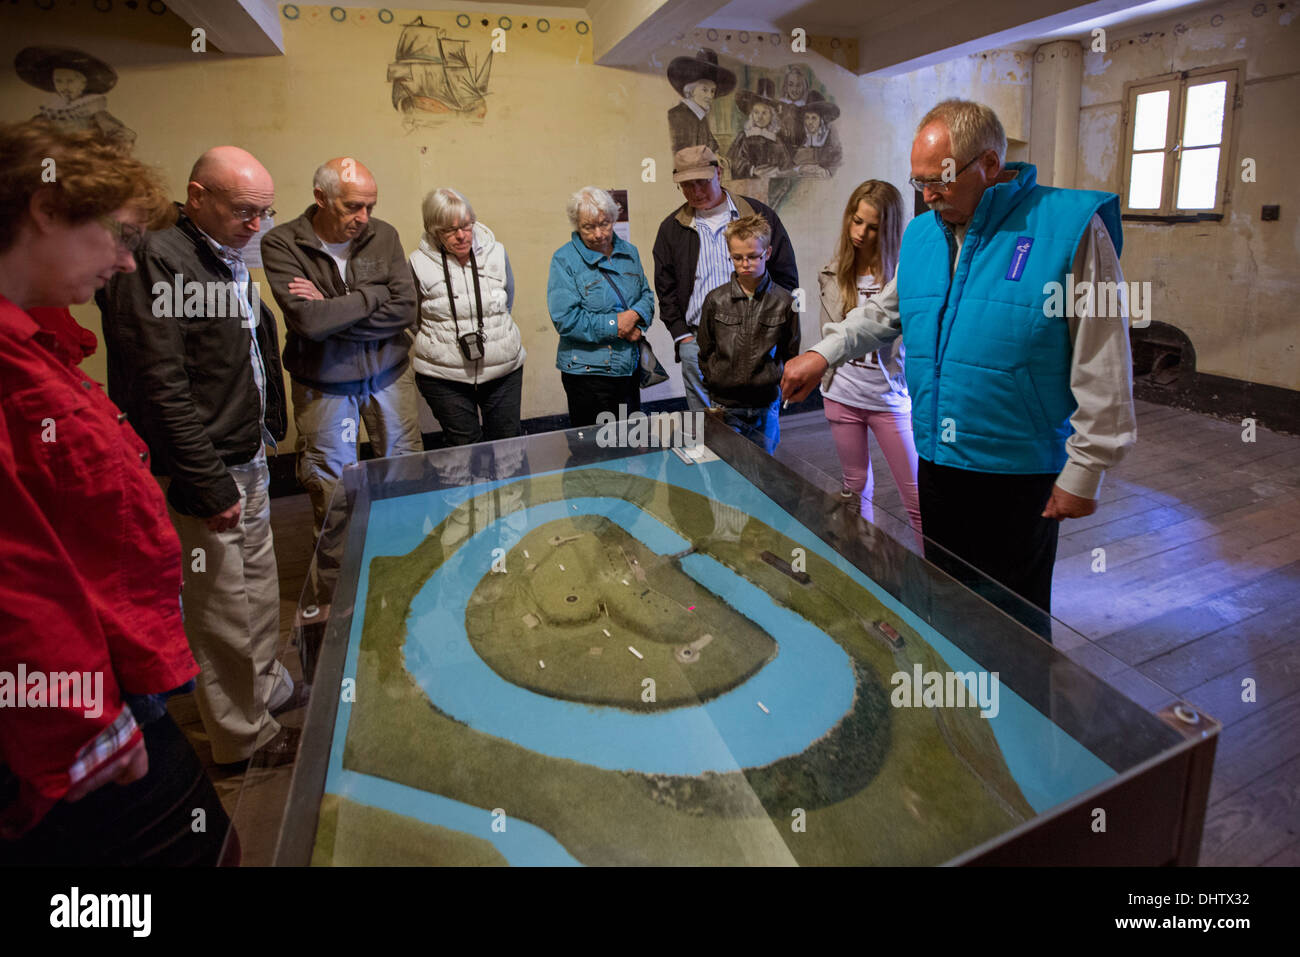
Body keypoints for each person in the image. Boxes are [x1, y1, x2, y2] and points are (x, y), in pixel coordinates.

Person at [782, 99, 1136, 639]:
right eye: (918, 182)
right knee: (944, 601)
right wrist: (824, 351)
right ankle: (953, 713)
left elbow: (1103, 355)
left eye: (939, 182)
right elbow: (889, 312)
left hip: (1019, 472)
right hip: (939, 457)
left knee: (1013, 623)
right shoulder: (926, 233)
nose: (926, 197)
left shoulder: (1070, 228)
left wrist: (1087, 466)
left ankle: (1017, 718)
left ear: (989, 165)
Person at [0, 119, 227, 864]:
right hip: (72, 705)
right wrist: (78, 719)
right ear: (46, 210)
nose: (127, 264)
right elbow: (14, 573)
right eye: (120, 236)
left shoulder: (39, 337)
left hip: (109, 668)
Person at [97, 145, 298, 766]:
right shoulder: (159, 259)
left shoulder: (225, 255)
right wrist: (205, 482)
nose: (257, 226)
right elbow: (161, 385)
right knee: (222, 604)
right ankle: (241, 734)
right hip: (206, 463)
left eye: (265, 213)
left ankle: (260, 688)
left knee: (259, 587)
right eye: (245, 211)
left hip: (247, 451)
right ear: (198, 196)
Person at [262, 156, 423, 539]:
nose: (364, 216)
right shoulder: (282, 243)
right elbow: (310, 323)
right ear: (321, 197)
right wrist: (374, 295)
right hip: (324, 383)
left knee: (405, 476)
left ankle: (406, 567)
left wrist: (333, 308)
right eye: (352, 206)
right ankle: (342, 585)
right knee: (332, 490)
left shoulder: (384, 235)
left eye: (370, 205)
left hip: (388, 374)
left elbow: (405, 309)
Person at [653, 145, 798, 413]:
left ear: (718, 173)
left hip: (757, 336)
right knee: (706, 429)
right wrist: (680, 335)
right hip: (696, 340)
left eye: (702, 182)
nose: (695, 192)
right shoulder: (671, 229)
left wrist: (772, 329)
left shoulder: (758, 216)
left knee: (758, 425)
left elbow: (786, 275)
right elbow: (665, 287)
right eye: (686, 185)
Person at [818, 180, 922, 534]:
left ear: (888, 229)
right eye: (856, 220)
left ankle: (937, 582)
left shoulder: (904, 277)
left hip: (889, 398)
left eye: (872, 226)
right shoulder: (832, 275)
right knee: (856, 487)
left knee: (917, 498)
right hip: (842, 395)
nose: (860, 232)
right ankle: (866, 571)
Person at [409, 187, 525, 446]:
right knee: (465, 450)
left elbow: (507, 301)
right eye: (449, 230)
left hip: (502, 367)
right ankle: (472, 489)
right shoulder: (417, 263)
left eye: (466, 225)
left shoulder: (496, 253)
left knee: (507, 446)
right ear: (433, 230)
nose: (461, 236)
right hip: (443, 375)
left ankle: (507, 488)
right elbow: (412, 318)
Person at [547, 186, 655, 427]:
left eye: (604, 224)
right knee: (594, 451)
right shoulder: (564, 260)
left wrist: (635, 315)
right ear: (577, 225)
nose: (598, 234)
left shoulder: (630, 252)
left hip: (628, 367)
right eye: (588, 227)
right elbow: (566, 319)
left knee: (629, 443)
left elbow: (646, 295)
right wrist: (617, 324)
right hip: (588, 374)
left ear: (613, 219)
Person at [697, 215, 799, 453]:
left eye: (753, 256)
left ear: (768, 252)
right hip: (725, 402)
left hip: (765, 402)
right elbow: (706, 348)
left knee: (765, 470)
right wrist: (715, 379)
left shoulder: (785, 302)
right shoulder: (715, 300)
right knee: (728, 470)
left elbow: (790, 351)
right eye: (737, 257)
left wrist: (774, 378)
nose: (745, 263)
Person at [14, 46, 136, 147]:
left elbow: (123, 136)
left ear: (83, 83)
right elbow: (28, 137)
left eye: (70, 81)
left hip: (82, 163)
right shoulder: (49, 113)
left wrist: (101, 151)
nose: (65, 86)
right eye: (59, 81)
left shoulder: (92, 113)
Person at [665, 48, 736, 154]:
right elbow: (680, 155)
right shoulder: (677, 115)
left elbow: (713, 146)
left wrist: (717, 157)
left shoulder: (701, 117)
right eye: (704, 90)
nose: (710, 96)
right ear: (691, 90)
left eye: (712, 91)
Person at [726, 78, 792, 181]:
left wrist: (777, 172)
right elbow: (734, 161)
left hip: (771, 185)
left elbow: (786, 164)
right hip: (747, 184)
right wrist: (753, 170)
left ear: (772, 116)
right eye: (756, 112)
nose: (759, 117)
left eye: (764, 113)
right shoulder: (744, 136)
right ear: (751, 115)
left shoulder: (776, 140)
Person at [792, 92, 843, 178]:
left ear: (821, 119)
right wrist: (800, 168)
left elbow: (837, 162)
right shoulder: (803, 138)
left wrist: (826, 171)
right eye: (807, 117)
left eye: (814, 118)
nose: (809, 122)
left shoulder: (830, 137)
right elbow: (793, 163)